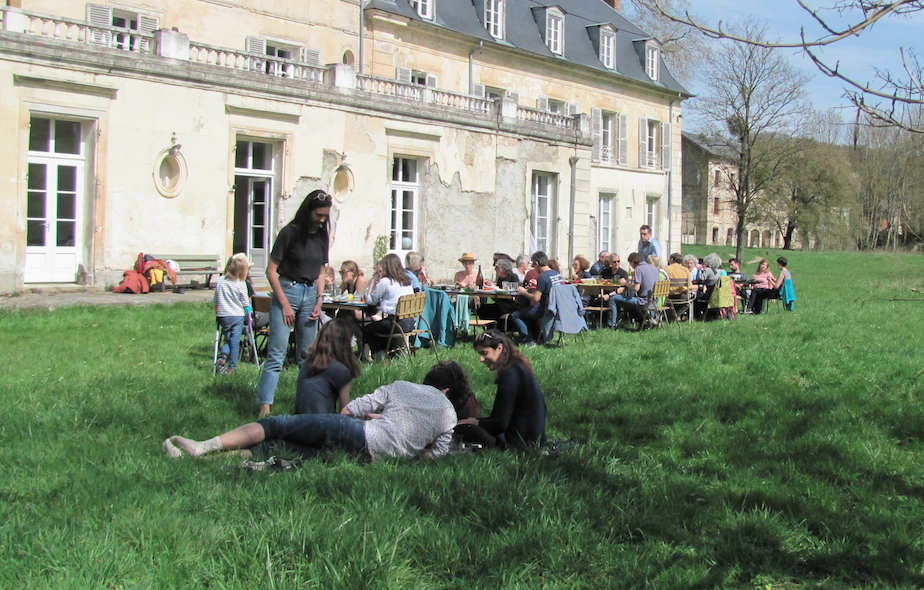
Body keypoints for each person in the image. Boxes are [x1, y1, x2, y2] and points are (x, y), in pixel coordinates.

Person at [164, 363, 460, 463]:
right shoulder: (448, 414)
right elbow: (436, 456)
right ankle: (212, 460)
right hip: (369, 459)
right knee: (278, 447)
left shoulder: (402, 386)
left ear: (428, 383)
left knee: (276, 424)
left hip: (357, 433)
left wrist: (373, 420)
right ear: (447, 391)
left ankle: (203, 448)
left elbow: (351, 409)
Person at [256, 189, 331, 417]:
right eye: (318, 215)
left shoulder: (322, 235)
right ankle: (264, 407)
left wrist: (319, 300)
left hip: (311, 295)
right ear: (308, 211)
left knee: (307, 357)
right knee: (277, 353)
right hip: (287, 290)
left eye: (325, 216)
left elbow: (320, 270)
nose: (321, 220)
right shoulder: (289, 233)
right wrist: (284, 304)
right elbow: (271, 271)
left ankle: (306, 407)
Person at [456, 330, 547, 449]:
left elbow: (500, 423)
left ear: (499, 348)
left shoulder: (509, 375)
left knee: (462, 429)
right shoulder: (518, 366)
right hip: (534, 437)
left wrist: (476, 422)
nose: (481, 359)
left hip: (517, 441)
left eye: (485, 353)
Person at [293, 319, 362, 415]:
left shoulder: (307, 364)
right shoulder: (341, 371)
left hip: (297, 424)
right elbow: (345, 412)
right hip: (323, 425)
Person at [361, 253, 415, 360]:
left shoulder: (386, 281)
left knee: (368, 330)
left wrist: (372, 283)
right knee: (380, 327)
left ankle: (379, 357)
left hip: (396, 323)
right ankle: (389, 354)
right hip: (409, 322)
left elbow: (371, 300)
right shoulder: (407, 281)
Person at [509, 251, 563, 347]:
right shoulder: (556, 274)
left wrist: (523, 292)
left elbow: (536, 298)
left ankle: (529, 340)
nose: (533, 268)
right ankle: (536, 335)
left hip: (546, 309)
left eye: (533, 265)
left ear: (537, 264)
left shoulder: (543, 276)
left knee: (515, 315)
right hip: (559, 307)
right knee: (527, 313)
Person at [214, 253, 252, 374]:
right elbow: (245, 302)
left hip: (223, 315)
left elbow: (216, 298)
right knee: (234, 342)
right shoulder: (241, 284)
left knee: (227, 339)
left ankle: (222, 356)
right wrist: (249, 315)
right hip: (237, 316)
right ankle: (232, 367)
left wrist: (217, 308)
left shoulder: (221, 281)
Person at [602, 252, 658, 328]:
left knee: (613, 298)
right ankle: (643, 320)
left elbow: (636, 288)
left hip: (643, 301)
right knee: (626, 301)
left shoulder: (639, 269)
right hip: (654, 301)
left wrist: (625, 283)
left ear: (632, 263)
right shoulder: (653, 268)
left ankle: (612, 324)